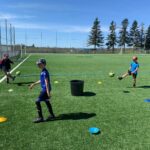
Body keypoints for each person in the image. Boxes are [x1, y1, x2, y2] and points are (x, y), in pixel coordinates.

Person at [29, 58, 55, 123]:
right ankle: (52, 115)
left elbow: (47, 82)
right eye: (38, 64)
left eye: (40, 64)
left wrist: (48, 92)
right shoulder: (43, 71)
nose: (38, 65)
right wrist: (34, 84)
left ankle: (40, 118)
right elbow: (41, 80)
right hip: (45, 89)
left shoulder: (45, 72)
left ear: (44, 64)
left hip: (45, 89)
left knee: (37, 101)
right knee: (46, 101)